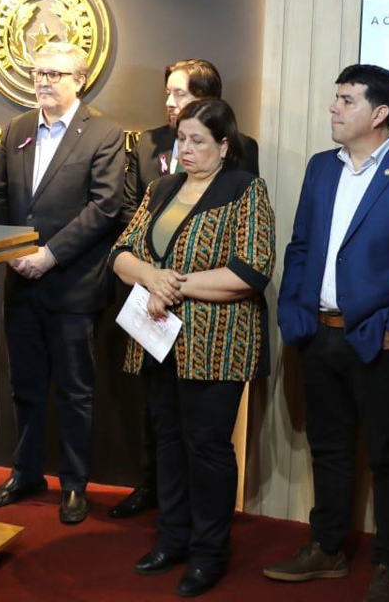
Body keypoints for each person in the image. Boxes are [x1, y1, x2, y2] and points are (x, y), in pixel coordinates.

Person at [265, 64, 389, 602]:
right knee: (328, 449)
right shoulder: (321, 168)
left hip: (382, 341)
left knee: (388, 455)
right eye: (336, 98)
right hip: (318, 335)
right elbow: (301, 246)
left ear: (379, 113)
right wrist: (294, 315)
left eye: (346, 100)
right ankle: (326, 548)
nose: (334, 108)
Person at [112, 98, 275, 597]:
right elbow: (121, 253)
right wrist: (151, 275)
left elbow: (251, 271)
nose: (185, 148)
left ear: (224, 146)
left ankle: (208, 553)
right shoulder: (161, 189)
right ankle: (173, 539)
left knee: (207, 447)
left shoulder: (244, 189)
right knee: (167, 440)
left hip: (217, 344)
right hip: (157, 340)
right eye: (181, 139)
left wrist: (172, 285)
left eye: (198, 140)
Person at [0, 41, 124, 525]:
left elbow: (105, 207)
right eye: (38, 73)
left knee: (74, 392)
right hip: (21, 283)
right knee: (24, 388)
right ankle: (25, 473)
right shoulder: (17, 128)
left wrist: (49, 255)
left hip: (72, 285)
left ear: (79, 80)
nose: (43, 81)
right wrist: (13, 251)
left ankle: (74, 485)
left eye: (54, 74)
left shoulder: (104, 133)